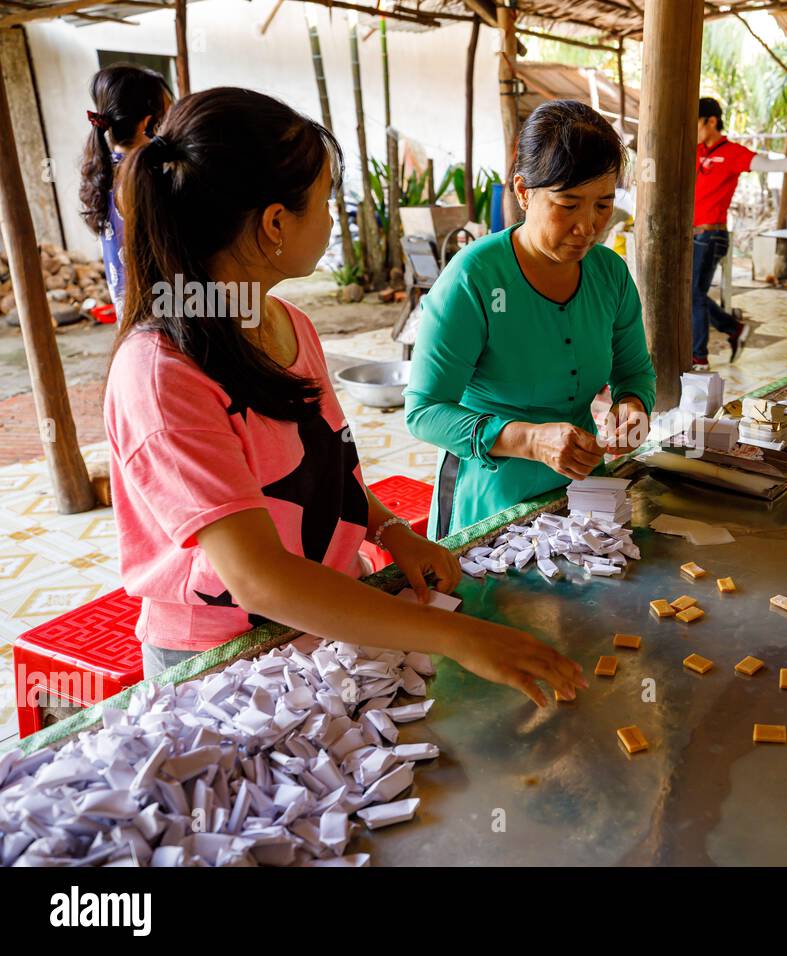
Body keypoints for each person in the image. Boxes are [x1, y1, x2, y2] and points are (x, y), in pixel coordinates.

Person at [105, 88, 583, 707]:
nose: (333, 220)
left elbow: (327, 471)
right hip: (225, 662)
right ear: (275, 223)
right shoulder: (162, 374)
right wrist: (456, 635)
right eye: (326, 200)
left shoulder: (287, 326)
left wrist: (391, 531)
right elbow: (258, 579)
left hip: (329, 623)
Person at [405, 100, 655, 537]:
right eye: (568, 204)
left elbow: (633, 370)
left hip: (582, 492)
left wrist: (632, 407)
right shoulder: (475, 277)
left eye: (602, 205)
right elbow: (424, 411)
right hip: (490, 497)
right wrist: (528, 439)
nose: (588, 227)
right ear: (523, 192)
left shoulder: (609, 274)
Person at [694, 96, 787, 369]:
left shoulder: (732, 153)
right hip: (690, 235)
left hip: (711, 236)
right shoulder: (694, 150)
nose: (693, 129)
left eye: (696, 122)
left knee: (692, 295)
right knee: (690, 295)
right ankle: (733, 328)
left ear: (711, 121)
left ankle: (699, 357)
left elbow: (768, 164)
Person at [79, 64, 173, 319]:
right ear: (148, 124)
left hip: (133, 315)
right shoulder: (142, 177)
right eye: (168, 115)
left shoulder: (107, 169)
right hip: (158, 318)